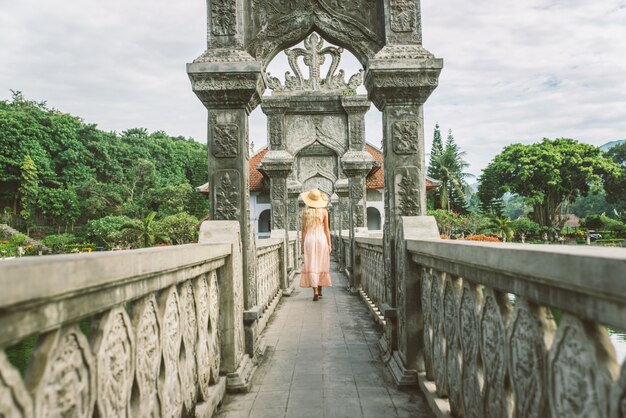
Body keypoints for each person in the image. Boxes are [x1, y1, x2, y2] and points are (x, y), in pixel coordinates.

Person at [299, 188, 332, 301]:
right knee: (321, 263)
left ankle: (315, 291)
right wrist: (329, 244)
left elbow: (303, 230)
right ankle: (320, 288)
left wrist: (302, 244)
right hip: (321, 239)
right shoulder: (324, 211)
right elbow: (327, 229)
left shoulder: (305, 212)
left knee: (312, 263)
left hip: (309, 239)